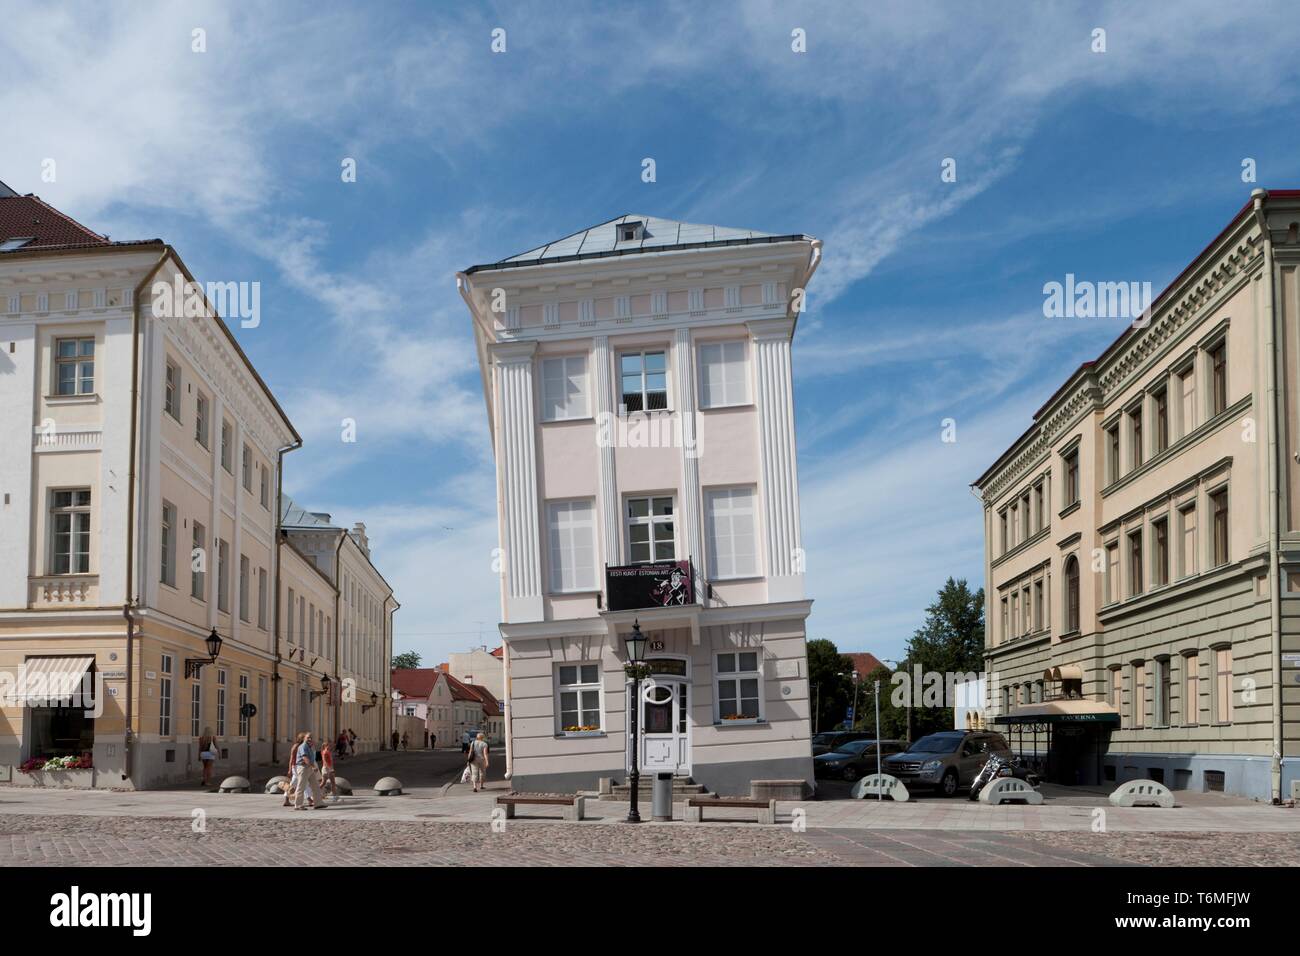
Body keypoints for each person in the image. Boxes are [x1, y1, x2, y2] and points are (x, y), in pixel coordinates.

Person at [294, 732, 322, 810]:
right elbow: (305, 757)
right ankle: (298, 805)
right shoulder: (303, 746)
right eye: (308, 737)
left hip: (309, 767)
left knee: (315, 785)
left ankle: (318, 803)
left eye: (311, 738)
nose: (309, 739)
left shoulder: (309, 746)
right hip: (303, 767)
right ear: (304, 738)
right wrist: (313, 766)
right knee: (301, 786)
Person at [283, 732, 304, 807]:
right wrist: (289, 770)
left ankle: (287, 799)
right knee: (298, 783)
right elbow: (291, 759)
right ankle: (287, 799)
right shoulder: (296, 746)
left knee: (295, 783)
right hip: (296, 766)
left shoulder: (301, 746)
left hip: (298, 766)